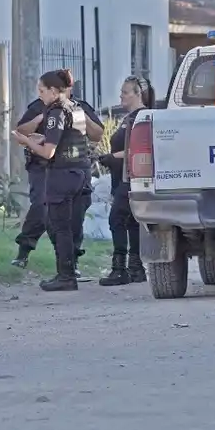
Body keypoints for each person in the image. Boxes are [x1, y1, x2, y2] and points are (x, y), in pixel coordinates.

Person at [11, 69, 91, 292]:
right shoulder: (76, 108)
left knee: (59, 227)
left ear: (54, 91)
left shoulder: (57, 111)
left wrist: (27, 142)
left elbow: (48, 153)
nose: (40, 95)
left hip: (62, 175)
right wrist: (42, 138)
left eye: (42, 90)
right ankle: (69, 271)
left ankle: (65, 276)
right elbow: (69, 139)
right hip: (79, 173)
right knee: (70, 226)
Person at [98, 76, 154, 286]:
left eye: (125, 92)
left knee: (117, 219)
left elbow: (141, 149)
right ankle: (136, 268)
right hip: (122, 177)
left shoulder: (142, 117)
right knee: (131, 222)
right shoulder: (129, 118)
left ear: (138, 94)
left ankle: (119, 269)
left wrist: (113, 157)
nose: (121, 96)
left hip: (131, 178)